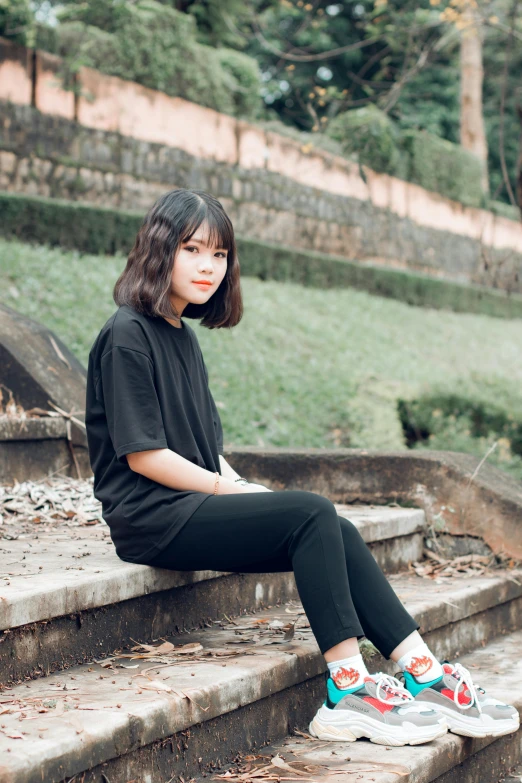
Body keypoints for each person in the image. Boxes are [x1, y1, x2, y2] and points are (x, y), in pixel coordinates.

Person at [85, 188, 519, 748]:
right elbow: (145, 455)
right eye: (192, 249)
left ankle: (425, 672)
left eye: (219, 255)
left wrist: (239, 485)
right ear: (159, 249)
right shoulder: (126, 334)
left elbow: (202, 447)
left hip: (190, 505)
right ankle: (347, 688)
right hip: (150, 517)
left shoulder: (182, 338)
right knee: (311, 512)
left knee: (328, 525)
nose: (208, 267)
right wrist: (225, 490)